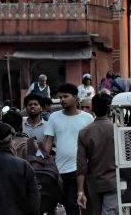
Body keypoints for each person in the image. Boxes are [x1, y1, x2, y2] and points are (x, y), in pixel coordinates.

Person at [44, 82, 94, 215]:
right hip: (61, 170)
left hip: (82, 170)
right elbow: (48, 142)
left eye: (65, 96)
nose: (62, 100)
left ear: (76, 98)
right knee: (68, 205)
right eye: (60, 97)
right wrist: (43, 161)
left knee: (81, 206)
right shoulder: (54, 117)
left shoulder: (88, 118)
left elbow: (92, 144)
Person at [76, 94, 117, 215]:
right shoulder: (117, 129)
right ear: (109, 109)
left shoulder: (84, 132)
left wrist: (80, 192)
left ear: (93, 108)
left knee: (96, 211)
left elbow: (81, 166)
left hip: (94, 182)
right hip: (113, 180)